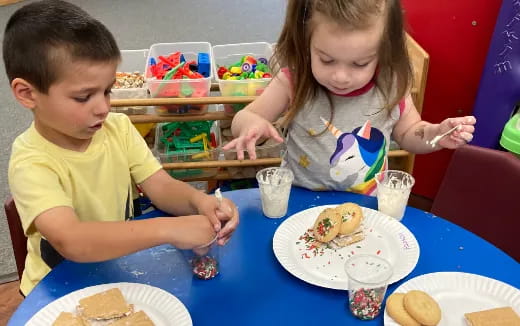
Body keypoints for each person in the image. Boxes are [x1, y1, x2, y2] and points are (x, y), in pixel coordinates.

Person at [4, 0, 238, 296]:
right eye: (83, 97)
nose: (103, 107)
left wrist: (199, 203)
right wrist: (169, 230)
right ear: (27, 94)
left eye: (107, 90)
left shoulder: (118, 128)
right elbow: (72, 240)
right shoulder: (31, 161)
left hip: (118, 268)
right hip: (57, 290)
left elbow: (161, 187)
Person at [223, 0, 476, 195]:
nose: (341, 77)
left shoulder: (390, 85)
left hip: (367, 207)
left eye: (360, 63)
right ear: (306, 42)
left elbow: (411, 134)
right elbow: (245, 117)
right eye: (326, 59)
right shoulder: (293, 82)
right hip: (297, 201)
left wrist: (436, 134)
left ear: (383, 51)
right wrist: (250, 124)